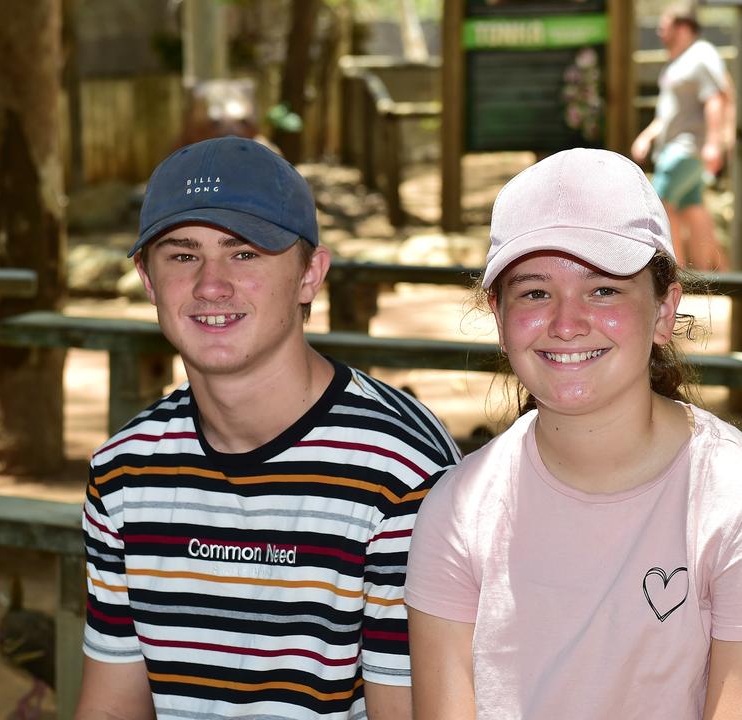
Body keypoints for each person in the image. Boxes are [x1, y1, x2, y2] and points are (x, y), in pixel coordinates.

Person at [405, 148, 742, 719]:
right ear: (500, 316)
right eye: (535, 292)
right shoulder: (456, 508)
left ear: (663, 311)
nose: (566, 322)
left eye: (604, 289)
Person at [75, 136, 461, 719]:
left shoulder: (401, 468)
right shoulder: (124, 472)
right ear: (148, 281)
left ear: (311, 274)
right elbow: (110, 707)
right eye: (183, 255)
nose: (211, 285)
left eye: (245, 253)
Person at [630, 1, 731, 271]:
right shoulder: (679, 61)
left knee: (659, 204)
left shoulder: (701, 55)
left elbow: (715, 99)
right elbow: (668, 113)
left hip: (686, 148)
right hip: (675, 146)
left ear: (683, 27)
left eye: (664, 27)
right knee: (692, 209)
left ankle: (673, 273)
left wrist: (714, 143)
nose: (660, 33)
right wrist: (647, 136)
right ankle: (721, 274)